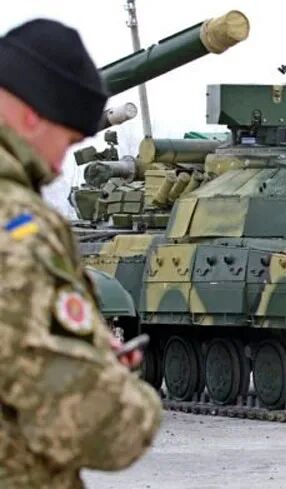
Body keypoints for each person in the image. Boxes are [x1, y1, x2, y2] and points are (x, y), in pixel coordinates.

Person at [0, 19, 162, 489]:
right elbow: (89, 420)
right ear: (34, 115)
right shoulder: (17, 225)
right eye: (68, 142)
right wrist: (135, 402)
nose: (56, 170)